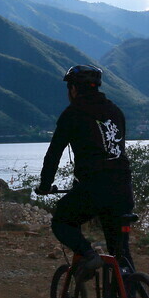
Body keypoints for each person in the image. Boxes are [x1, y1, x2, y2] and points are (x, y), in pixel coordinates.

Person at [36, 65, 135, 280]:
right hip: (123, 189)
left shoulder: (72, 113)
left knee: (62, 221)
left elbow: (53, 155)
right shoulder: (116, 111)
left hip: (94, 189)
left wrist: (45, 186)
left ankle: (89, 256)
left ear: (73, 89)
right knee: (121, 252)